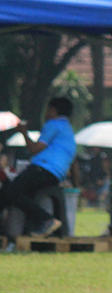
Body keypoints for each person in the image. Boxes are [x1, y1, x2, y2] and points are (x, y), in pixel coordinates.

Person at [0, 97, 76, 238]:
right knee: (13, 194)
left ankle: (46, 219)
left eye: (47, 110)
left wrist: (23, 132)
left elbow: (34, 149)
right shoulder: (68, 129)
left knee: (9, 191)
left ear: (53, 110)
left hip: (44, 168)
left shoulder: (53, 124)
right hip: (56, 173)